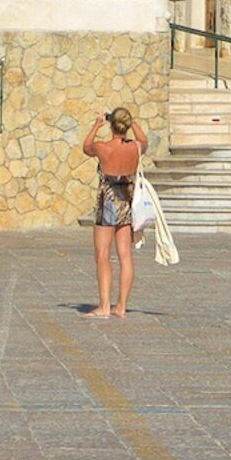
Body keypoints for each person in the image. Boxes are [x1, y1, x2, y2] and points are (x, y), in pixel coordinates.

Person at [80, 107, 145, 318]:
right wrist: (132, 122)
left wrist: (97, 124)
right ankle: (122, 305)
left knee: (102, 254)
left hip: (107, 201)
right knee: (125, 255)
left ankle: (105, 305)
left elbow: (86, 147)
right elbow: (144, 140)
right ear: (126, 125)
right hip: (126, 201)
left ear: (112, 124)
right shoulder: (135, 147)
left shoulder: (103, 148)